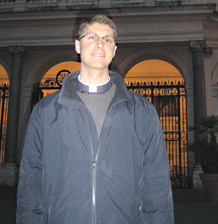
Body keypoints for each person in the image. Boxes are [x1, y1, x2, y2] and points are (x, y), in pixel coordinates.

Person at [16, 14, 174, 224]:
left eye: (107, 39)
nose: (100, 43)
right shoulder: (46, 110)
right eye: (91, 37)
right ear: (77, 46)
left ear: (114, 50)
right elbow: (31, 180)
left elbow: (157, 182)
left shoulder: (142, 111)